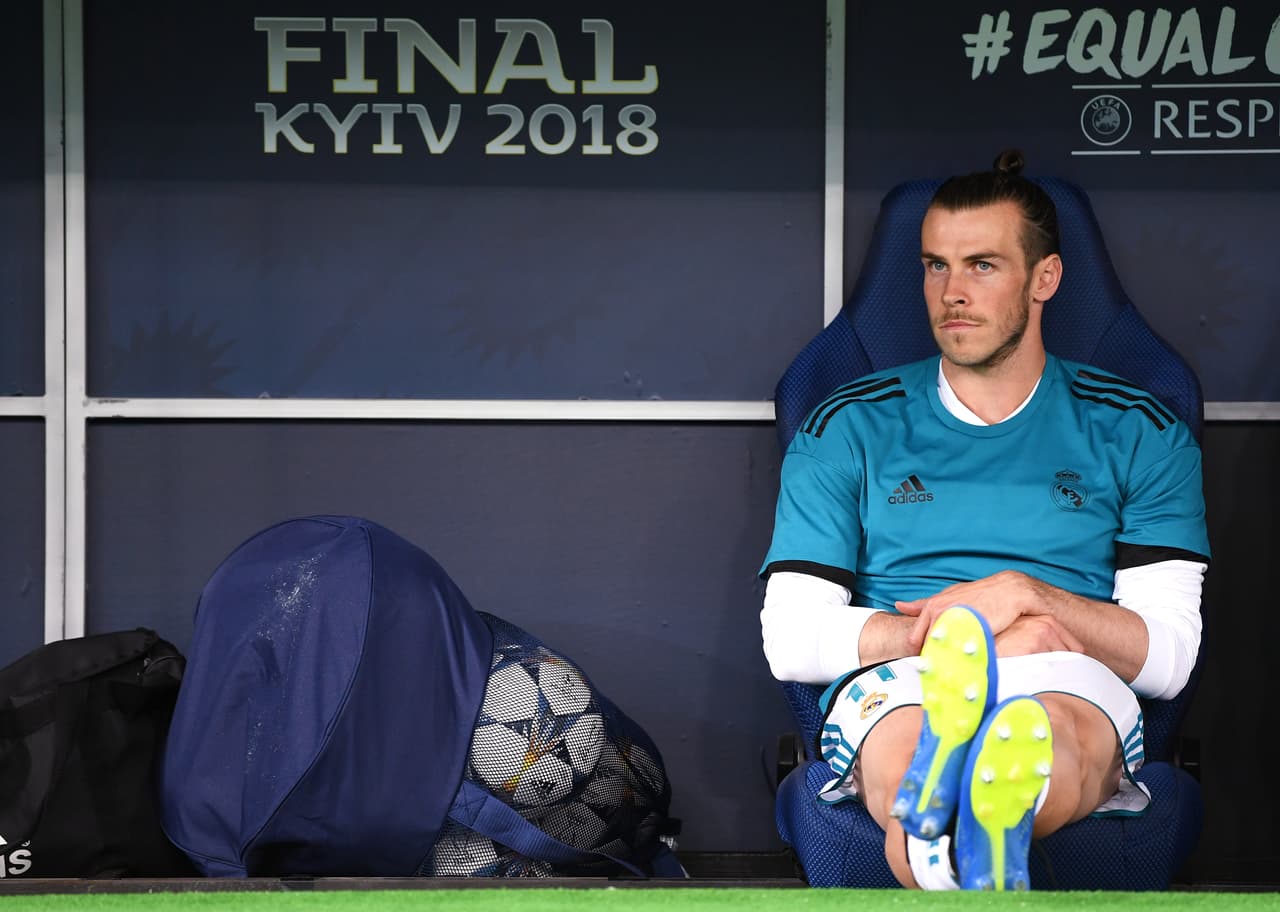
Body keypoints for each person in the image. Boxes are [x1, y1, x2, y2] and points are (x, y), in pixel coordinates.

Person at [758, 150, 1210, 891]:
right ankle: (975, 835)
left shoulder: (1139, 427)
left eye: (983, 266)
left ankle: (954, 839)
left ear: (1046, 279)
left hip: (1068, 672)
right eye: (936, 266)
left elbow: (1169, 657)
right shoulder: (847, 423)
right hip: (906, 673)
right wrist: (951, 634)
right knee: (907, 747)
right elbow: (790, 639)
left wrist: (1029, 596)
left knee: (1048, 739)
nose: (952, 293)